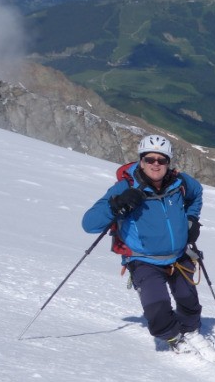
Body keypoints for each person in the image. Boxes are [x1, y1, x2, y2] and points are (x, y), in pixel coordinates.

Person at [82, 134, 205, 350]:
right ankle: (172, 337)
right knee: (157, 309)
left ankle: (191, 330)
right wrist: (116, 205)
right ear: (141, 160)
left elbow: (196, 194)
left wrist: (192, 219)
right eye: (150, 159)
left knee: (189, 301)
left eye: (161, 160)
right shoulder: (125, 188)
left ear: (168, 162)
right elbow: (89, 224)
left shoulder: (180, 183)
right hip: (143, 260)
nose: (155, 165)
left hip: (178, 257)